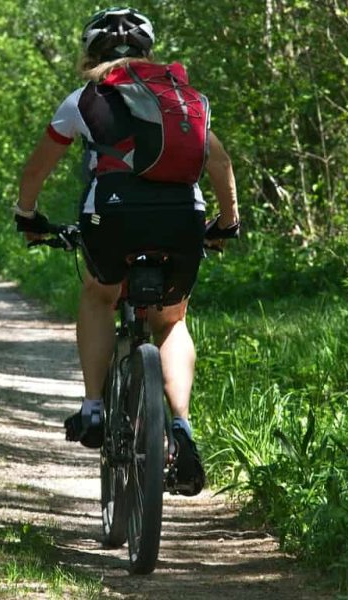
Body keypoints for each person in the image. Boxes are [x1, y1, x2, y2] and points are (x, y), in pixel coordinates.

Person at [13, 7, 240, 495]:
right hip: (183, 217)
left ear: (90, 53)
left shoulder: (83, 100)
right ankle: (181, 426)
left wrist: (27, 217)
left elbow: (35, 173)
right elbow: (218, 160)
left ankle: (94, 407)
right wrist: (227, 223)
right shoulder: (181, 97)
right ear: (147, 51)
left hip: (111, 218)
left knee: (99, 294)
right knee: (172, 320)